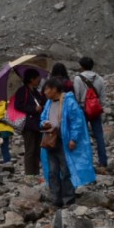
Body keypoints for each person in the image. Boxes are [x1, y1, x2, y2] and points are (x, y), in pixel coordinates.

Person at [41, 76, 98, 207]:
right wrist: (44, 123)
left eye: (47, 90)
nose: (45, 92)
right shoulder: (49, 103)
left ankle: (68, 199)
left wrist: (73, 139)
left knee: (66, 171)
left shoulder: (69, 102)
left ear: (55, 89)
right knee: (52, 171)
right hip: (51, 140)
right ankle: (56, 199)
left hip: (64, 142)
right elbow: (43, 117)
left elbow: (76, 122)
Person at [13, 68, 44, 177]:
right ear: (31, 79)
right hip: (28, 125)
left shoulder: (36, 92)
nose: (39, 80)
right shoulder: (22, 91)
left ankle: (35, 172)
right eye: (37, 78)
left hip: (37, 124)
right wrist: (33, 109)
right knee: (30, 149)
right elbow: (18, 105)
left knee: (37, 149)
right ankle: (29, 174)